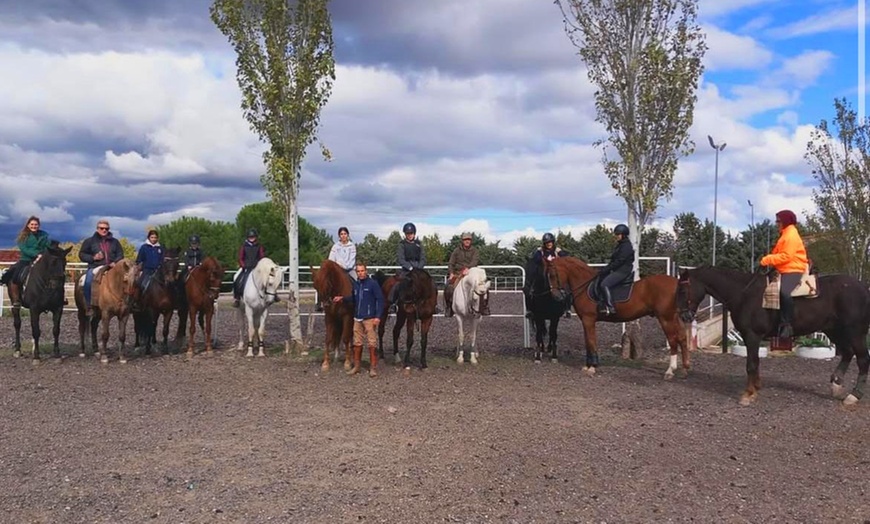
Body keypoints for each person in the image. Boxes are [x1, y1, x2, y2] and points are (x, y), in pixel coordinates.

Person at [760, 209, 808, 338]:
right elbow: (778, 253)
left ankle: (787, 325)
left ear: (786, 221)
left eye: (778, 221)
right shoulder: (785, 234)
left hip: (793, 269)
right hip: (784, 268)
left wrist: (767, 259)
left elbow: (787, 256)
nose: (776, 223)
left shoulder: (791, 235)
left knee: (784, 292)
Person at [332, 262, 384, 377]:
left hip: (369, 318)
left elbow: (380, 300)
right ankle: (357, 366)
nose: (360, 273)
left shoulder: (373, 284)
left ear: (366, 271)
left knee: (372, 342)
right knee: (357, 342)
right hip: (357, 317)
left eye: (362, 271)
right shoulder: (356, 285)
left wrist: (378, 316)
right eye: (358, 271)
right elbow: (354, 298)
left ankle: (373, 367)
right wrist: (343, 299)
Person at [0, 216, 52, 306]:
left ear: (39, 225)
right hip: (26, 259)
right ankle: (16, 299)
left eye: (36, 224)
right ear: (28, 225)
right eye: (32, 224)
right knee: (15, 275)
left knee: (55, 274)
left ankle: (56, 299)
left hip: (42, 260)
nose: (34, 226)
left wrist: (43, 255)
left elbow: (47, 246)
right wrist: (36, 254)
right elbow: (24, 249)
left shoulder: (44, 235)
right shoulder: (23, 236)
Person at [79, 219, 125, 314]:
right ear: (97, 229)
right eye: (102, 228)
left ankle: (127, 304)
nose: (104, 230)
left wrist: (115, 262)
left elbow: (120, 254)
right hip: (96, 266)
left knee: (128, 281)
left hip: (112, 267)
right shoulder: (89, 241)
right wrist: (93, 257)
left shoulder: (115, 242)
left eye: (106, 228)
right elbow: (82, 254)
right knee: (88, 281)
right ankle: (89, 305)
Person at [523, 232, 569, 319]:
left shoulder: (557, 251)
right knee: (528, 289)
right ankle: (529, 310)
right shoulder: (540, 251)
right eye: (547, 242)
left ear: (553, 242)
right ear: (544, 243)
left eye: (550, 242)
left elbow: (566, 258)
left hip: (556, 275)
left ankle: (567, 309)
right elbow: (535, 260)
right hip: (543, 275)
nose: (549, 244)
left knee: (567, 288)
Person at [444, 232, 489, 317]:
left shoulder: (475, 250)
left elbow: (474, 262)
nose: (467, 241)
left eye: (469, 239)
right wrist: (451, 273)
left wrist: (467, 269)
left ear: (471, 241)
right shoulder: (456, 251)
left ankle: (485, 306)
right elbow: (451, 263)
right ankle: (449, 307)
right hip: (458, 273)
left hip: (471, 273)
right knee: (448, 286)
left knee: (484, 288)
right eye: (465, 239)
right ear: (462, 240)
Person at [387, 222, 427, 314]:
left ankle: (433, 304)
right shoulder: (402, 244)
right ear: (405, 234)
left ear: (414, 233)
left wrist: (419, 267)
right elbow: (401, 259)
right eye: (408, 234)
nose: (410, 235)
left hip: (418, 268)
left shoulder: (419, 244)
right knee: (398, 284)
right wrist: (409, 268)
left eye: (411, 233)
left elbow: (423, 258)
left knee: (429, 282)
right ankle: (393, 303)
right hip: (407, 269)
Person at [597, 224, 635, 315]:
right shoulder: (620, 245)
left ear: (624, 235)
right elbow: (614, 261)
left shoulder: (626, 246)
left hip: (623, 271)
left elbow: (619, 261)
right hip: (619, 269)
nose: (616, 236)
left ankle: (610, 307)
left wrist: (607, 269)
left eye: (618, 234)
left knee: (604, 284)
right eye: (616, 234)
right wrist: (605, 269)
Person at [317, 226, 356, 313]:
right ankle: (320, 302)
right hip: (337, 270)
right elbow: (331, 259)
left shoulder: (352, 246)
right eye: (341, 234)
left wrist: (343, 267)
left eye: (345, 234)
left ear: (348, 235)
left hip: (349, 270)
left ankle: (358, 301)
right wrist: (336, 268)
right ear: (339, 236)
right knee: (323, 282)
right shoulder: (335, 246)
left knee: (357, 281)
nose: (343, 236)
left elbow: (352, 261)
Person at [233, 228, 265, 308]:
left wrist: (260, 266)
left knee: (268, 279)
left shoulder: (259, 246)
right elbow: (240, 257)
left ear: (256, 237)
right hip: (246, 267)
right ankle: (237, 298)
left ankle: (273, 295)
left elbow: (261, 257)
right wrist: (243, 265)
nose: (252, 238)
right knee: (237, 279)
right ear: (248, 237)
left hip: (256, 268)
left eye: (253, 237)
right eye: (250, 237)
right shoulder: (244, 246)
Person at [132, 229, 165, 307]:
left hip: (158, 271)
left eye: (155, 237)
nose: (154, 239)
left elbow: (163, 259)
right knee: (141, 284)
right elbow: (139, 259)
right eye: (152, 237)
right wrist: (139, 266)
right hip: (147, 270)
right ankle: (136, 301)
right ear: (149, 238)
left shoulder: (160, 248)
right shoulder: (144, 247)